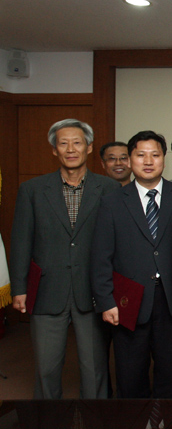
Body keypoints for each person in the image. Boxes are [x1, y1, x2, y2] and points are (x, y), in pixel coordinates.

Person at [9, 118, 118, 399]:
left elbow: (117, 244)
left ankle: (95, 417)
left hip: (93, 291)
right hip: (47, 289)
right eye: (63, 143)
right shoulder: (32, 190)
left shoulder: (109, 189)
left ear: (89, 147)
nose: (71, 149)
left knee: (94, 368)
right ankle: (47, 417)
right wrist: (19, 288)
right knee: (46, 368)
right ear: (54, 150)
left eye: (77, 142)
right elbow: (21, 242)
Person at [91, 131, 172, 398]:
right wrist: (105, 301)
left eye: (155, 155)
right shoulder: (111, 202)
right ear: (130, 159)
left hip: (170, 298)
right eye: (140, 155)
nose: (148, 161)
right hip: (127, 299)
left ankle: (166, 416)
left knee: (170, 370)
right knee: (130, 373)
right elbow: (100, 257)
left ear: (164, 159)